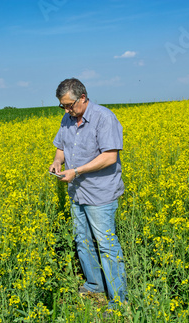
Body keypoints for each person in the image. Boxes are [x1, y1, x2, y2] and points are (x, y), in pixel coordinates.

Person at [49, 78, 127, 309]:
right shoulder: (67, 118)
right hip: (77, 193)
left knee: (106, 245)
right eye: (62, 106)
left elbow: (110, 156)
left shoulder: (104, 118)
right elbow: (60, 147)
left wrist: (77, 171)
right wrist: (57, 162)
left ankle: (118, 301)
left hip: (100, 194)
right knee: (82, 241)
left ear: (82, 98)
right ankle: (95, 285)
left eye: (69, 105)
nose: (66, 110)